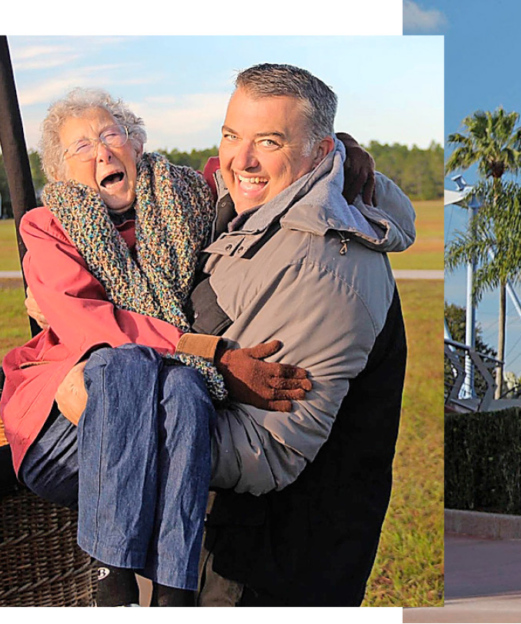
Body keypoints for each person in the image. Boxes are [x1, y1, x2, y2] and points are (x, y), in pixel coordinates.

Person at [0, 88, 314, 606]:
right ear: (59, 172)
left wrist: (338, 149)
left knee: (187, 390)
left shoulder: (183, 196)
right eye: (81, 147)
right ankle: (113, 585)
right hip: (62, 430)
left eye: (110, 134)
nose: (102, 152)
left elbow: (249, 166)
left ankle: (173, 595)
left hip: (161, 412)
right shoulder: (47, 225)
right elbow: (89, 324)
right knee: (122, 363)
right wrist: (208, 350)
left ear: (136, 143)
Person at [189, 63, 415, 607]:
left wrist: (120, 427)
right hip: (219, 548)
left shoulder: (325, 262)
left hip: (267, 570)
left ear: (319, 156)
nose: (239, 160)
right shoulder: (257, 213)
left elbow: (263, 452)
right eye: (230, 136)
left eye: (269, 141)